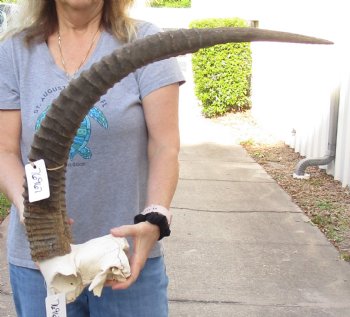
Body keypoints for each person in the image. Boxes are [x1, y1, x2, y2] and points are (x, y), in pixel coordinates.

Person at [0, 0, 184, 316]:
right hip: (42, 261)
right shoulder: (14, 51)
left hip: (125, 256)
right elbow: (6, 150)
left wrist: (155, 218)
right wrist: (29, 207)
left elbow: (165, 146)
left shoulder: (144, 42)